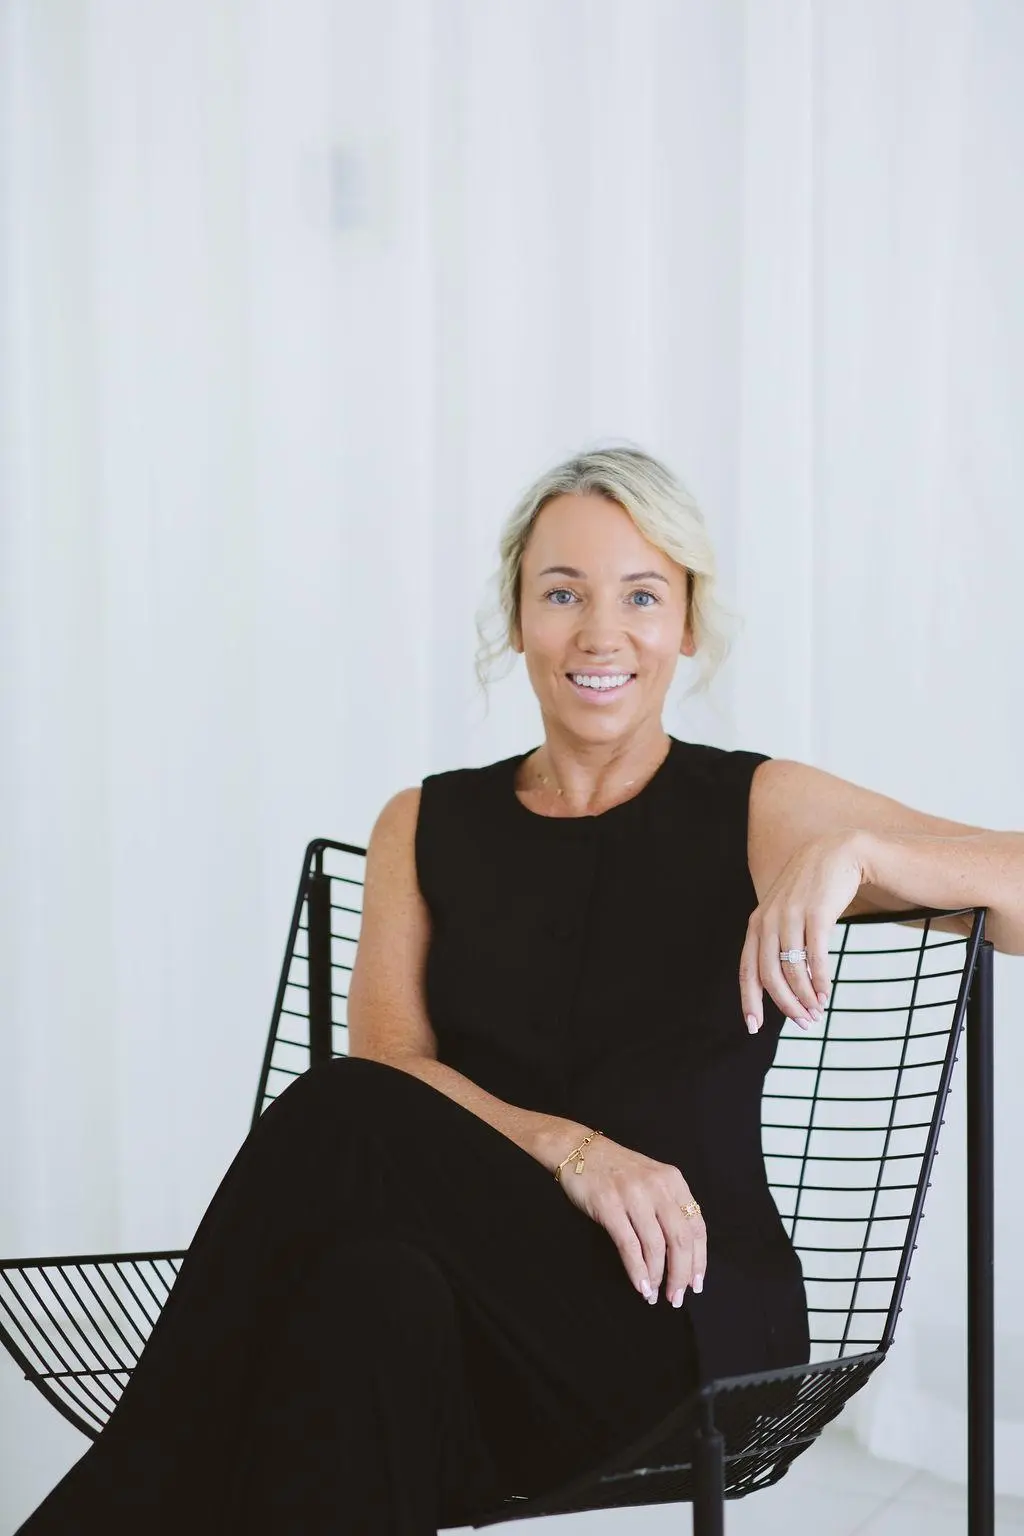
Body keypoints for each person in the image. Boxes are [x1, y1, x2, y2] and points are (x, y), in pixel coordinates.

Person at [17, 443, 825, 1535]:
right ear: (518, 617)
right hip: (481, 1336)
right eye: (562, 593)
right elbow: (399, 1075)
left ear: (686, 622)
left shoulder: (756, 805)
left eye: (641, 595)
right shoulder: (425, 823)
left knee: (345, 1108)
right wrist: (568, 1149)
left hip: (684, 1320)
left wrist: (852, 853)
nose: (600, 633)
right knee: (364, 1297)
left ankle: (112, 1506)